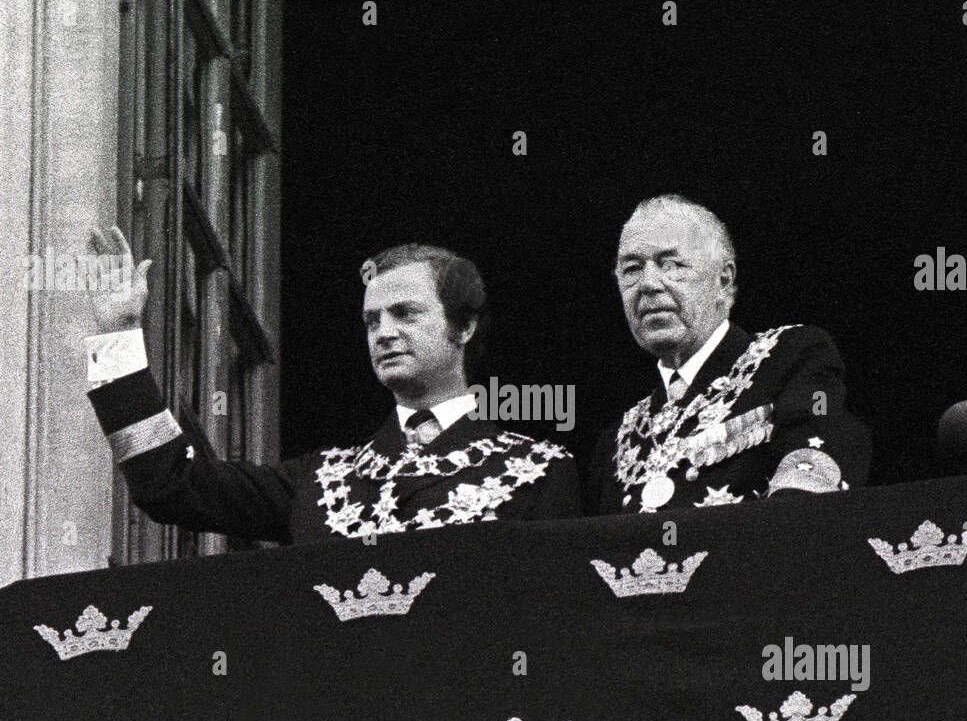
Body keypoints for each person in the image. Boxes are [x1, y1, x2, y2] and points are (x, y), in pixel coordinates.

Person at [84, 229, 580, 543]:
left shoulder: (538, 472)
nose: (384, 333)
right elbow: (172, 485)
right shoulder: (321, 481)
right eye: (371, 321)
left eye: (405, 313)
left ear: (464, 326)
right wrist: (116, 336)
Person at [590, 194, 870, 514]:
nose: (648, 283)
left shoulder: (790, 359)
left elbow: (806, 498)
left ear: (724, 280)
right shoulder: (617, 440)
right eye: (632, 269)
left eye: (671, 264)